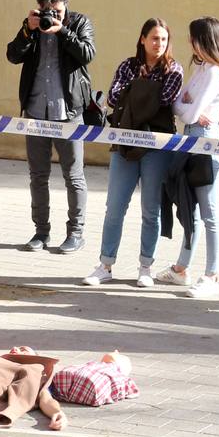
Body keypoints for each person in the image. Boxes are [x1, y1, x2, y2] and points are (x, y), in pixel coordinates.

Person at [81, 18, 182, 289]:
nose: (159, 44)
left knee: (151, 209)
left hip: (157, 146)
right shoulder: (127, 65)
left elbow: (164, 102)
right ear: (142, 39)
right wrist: (144, 88)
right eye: (154, 38)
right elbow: (114, 98)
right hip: (124, 142)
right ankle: (105, 265)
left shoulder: (173, 69)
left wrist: (135, 89)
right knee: (115, 207)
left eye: (164, 39)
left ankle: (145, 266)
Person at [6, 0, 95, 254]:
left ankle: (76, 233)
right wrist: (27, 30)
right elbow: (12, 55)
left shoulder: (79, 22)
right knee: (38, 176)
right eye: (47, 9)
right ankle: (41, 232)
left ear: (65, 4)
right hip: (35, 111)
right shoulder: (32, 25)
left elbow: (87, 54)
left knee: (74, 176)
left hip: (68, 113)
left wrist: (62, 31)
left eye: (57, 10)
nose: (52, 15)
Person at [154, 17, 219, 299]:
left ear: (204, 40)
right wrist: (187, 106)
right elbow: (178, 104)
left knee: (209, 212)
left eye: (193, 38)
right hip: (190, 140)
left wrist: (188, 106)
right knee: (190, 210)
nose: (190, 43)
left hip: (205, 143)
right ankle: (181, 268)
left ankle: (212, 275)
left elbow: (188, 112)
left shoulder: (215, 72)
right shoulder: (202, 68)